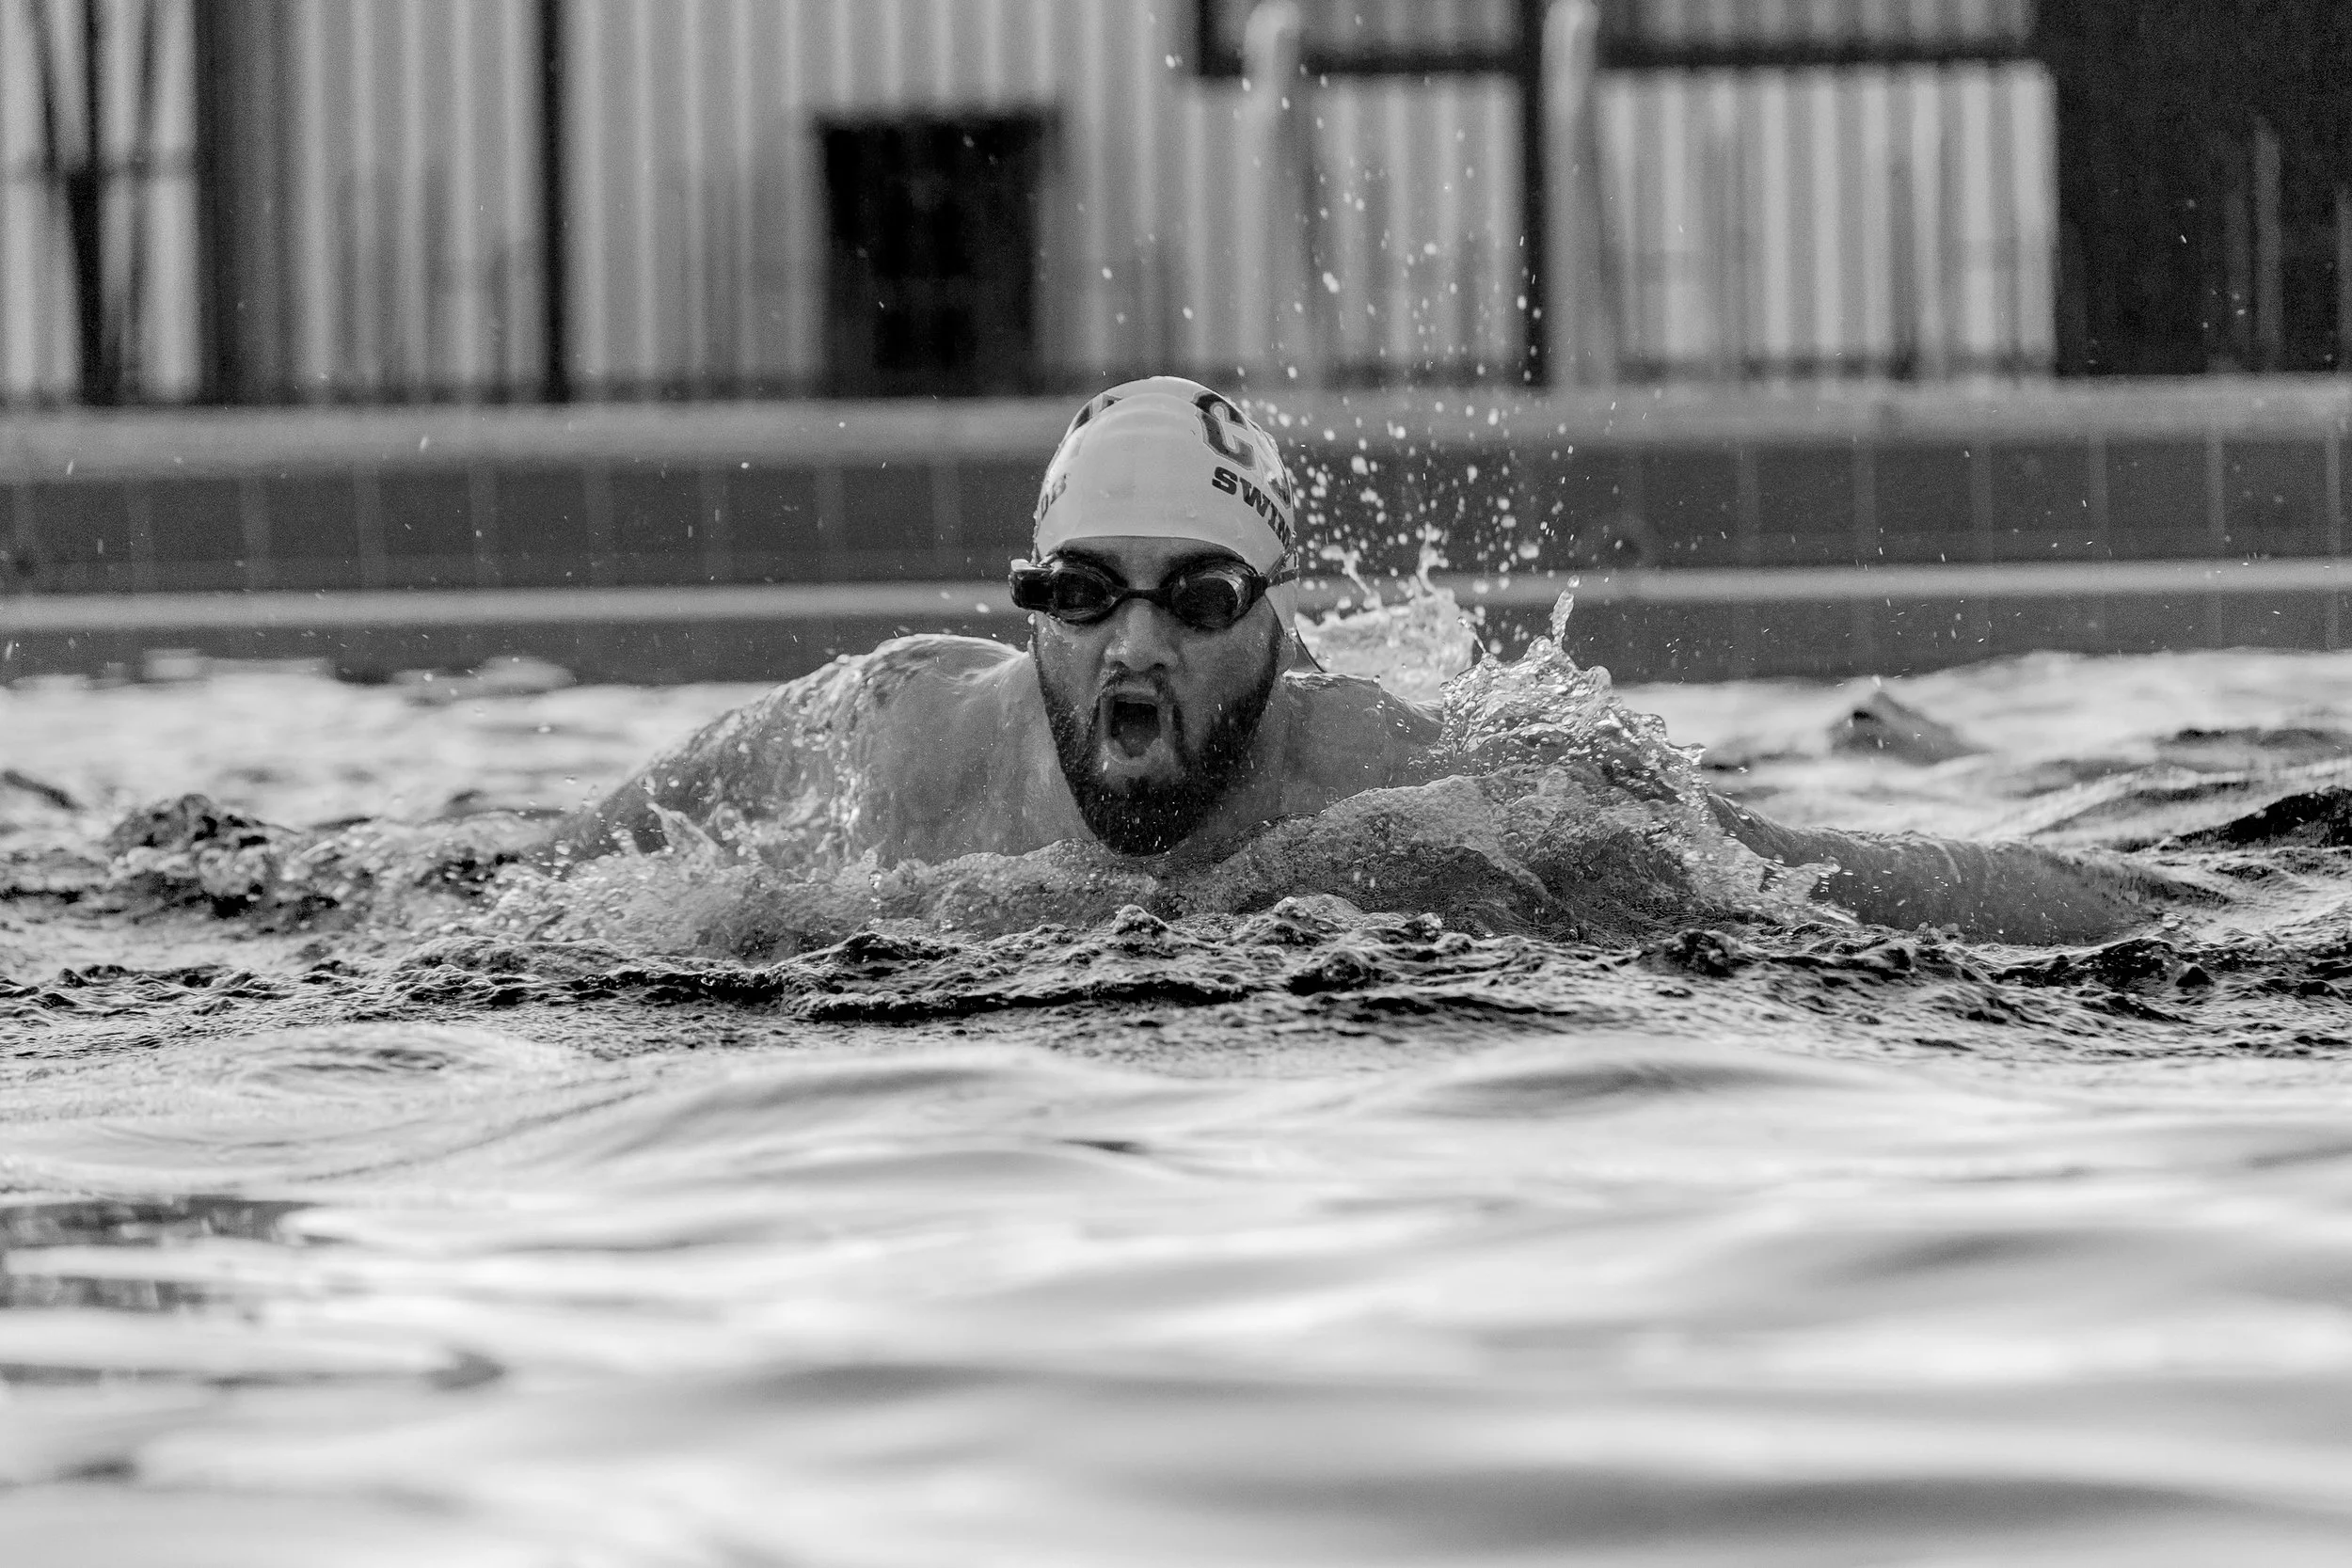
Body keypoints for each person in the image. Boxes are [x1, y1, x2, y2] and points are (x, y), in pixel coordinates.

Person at [548, 376, 2183, 944]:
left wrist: (2166, 912)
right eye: (1084, 596)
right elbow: (575, 860)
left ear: (1274, 612)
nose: (1132, 642)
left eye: (1195, 598)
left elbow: (1788, 874)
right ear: (1029, 607)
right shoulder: (904, 732)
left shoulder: (1385, 775)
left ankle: (1912, 732)